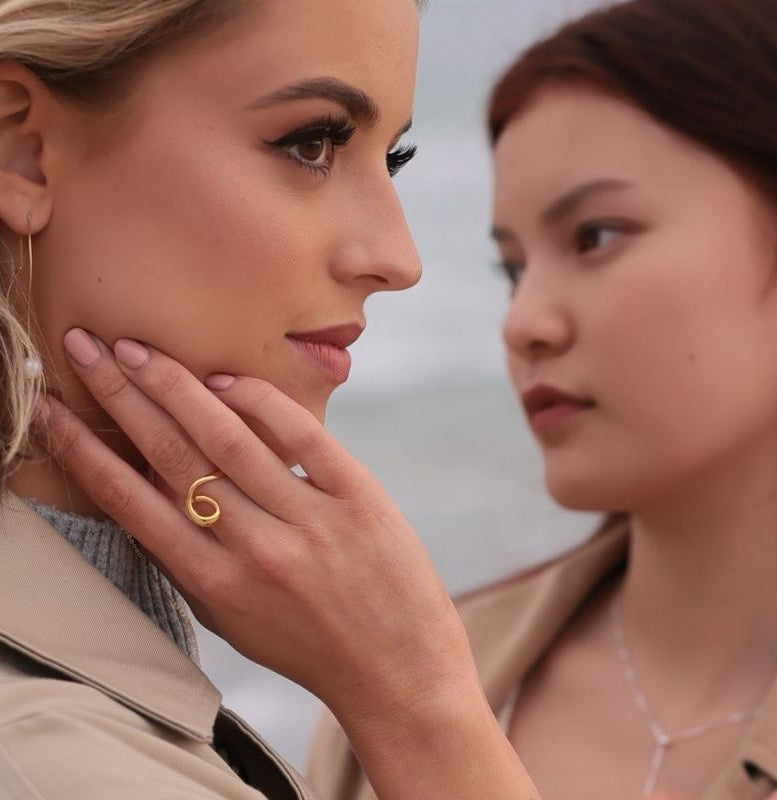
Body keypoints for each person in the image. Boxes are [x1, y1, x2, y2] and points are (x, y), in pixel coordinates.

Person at [0, 1, 538, 799]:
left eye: (393, 160)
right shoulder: (62, 762)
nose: (399, 259)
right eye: (311, 143)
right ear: (22, 151)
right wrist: (420, 704)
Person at [306, 0, 777, 798]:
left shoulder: (411, 700)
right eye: (514, 270)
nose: (525, 323)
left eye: (595, 237)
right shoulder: (397, 696)